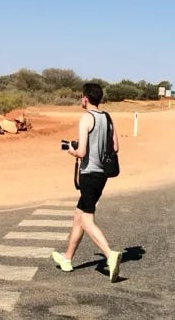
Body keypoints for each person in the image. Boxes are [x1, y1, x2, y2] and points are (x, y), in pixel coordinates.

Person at [52, 82, 123, 282]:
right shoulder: (108, 118)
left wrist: (71, 150)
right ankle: (67, 259)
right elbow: (115, 147)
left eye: (81, 96)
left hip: (89, 174)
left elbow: (82, 152)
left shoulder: (86, 118)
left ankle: (110, 255)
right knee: (78, 216)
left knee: (86, 219)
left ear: (85, 98)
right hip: (102, 175)